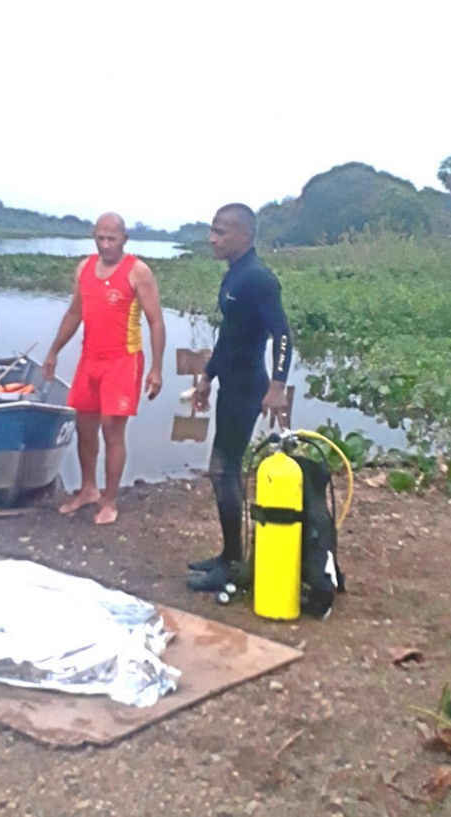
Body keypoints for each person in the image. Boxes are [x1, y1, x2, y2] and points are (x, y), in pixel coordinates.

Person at [187, 203, 292, 592]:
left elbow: (282, 334)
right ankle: (228, 556)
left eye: (220, 232)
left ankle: (232, 564)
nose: (212, 239)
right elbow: (229, 338)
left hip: (248, 386)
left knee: (223, 471)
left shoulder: (259, 278)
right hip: (230, 382)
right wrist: (207, 377)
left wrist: (277, 385)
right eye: (211, 231)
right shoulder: (234, 276)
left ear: (243, 235)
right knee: (222, 471)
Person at [43, 212, 165, 525]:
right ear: (94, 236)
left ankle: (109, 500)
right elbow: (74, 314)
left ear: (125, 238)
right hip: (90, 359)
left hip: (123, 361)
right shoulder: (84, 268)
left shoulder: (137, 271)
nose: (106, 244)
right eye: (101, 238)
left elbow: (155, 321)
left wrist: (156, 368)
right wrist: (54, 351)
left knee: (112, 428)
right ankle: (88, 489)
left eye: (112, 238)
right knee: (84, 427)